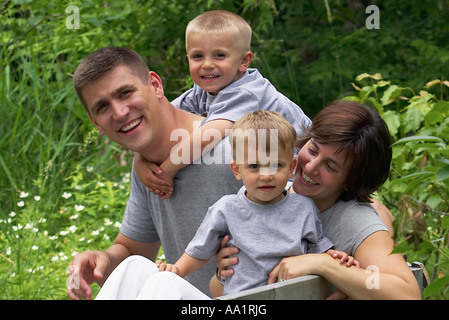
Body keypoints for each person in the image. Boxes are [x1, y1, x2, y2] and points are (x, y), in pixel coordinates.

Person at [66, 46, 244, 299]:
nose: (119, 112)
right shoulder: (147, 170)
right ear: (97, 124)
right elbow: (132, 250)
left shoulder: (235, 146)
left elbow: (310, 216)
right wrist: (102, 260)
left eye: (126, 93)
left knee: (165, 284)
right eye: (102, 107)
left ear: (156, 85)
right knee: (134, 267)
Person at [212, 100, 422, 299]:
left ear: (350, 181)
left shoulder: (355, 219)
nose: (311, 167)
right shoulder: (272, 194)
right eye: (312, 150)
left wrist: (324, 264)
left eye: (330, 166)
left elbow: (408, 294)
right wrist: (225, 273)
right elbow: (216, 290)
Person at [157, 110, 359, 295]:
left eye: (276, 165)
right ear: (237, 169)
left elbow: (316, 248)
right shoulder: (226, 209)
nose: (266, 175)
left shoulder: (304, 207)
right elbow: (199, 250)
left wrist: (335, 257)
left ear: (291, 167)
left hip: (294, 294)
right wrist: (177, 270)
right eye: (254, 166)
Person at [134, 10, 310, 199]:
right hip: (264, 169)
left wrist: (165, 171)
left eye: (219, 55)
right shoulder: (201, 90)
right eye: (197, 56)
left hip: (296, 173)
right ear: (188, 59)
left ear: (243, 61)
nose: (207, 64)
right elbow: (163, 117)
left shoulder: (247, 91)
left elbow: (208, 135)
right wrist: (140, 160)